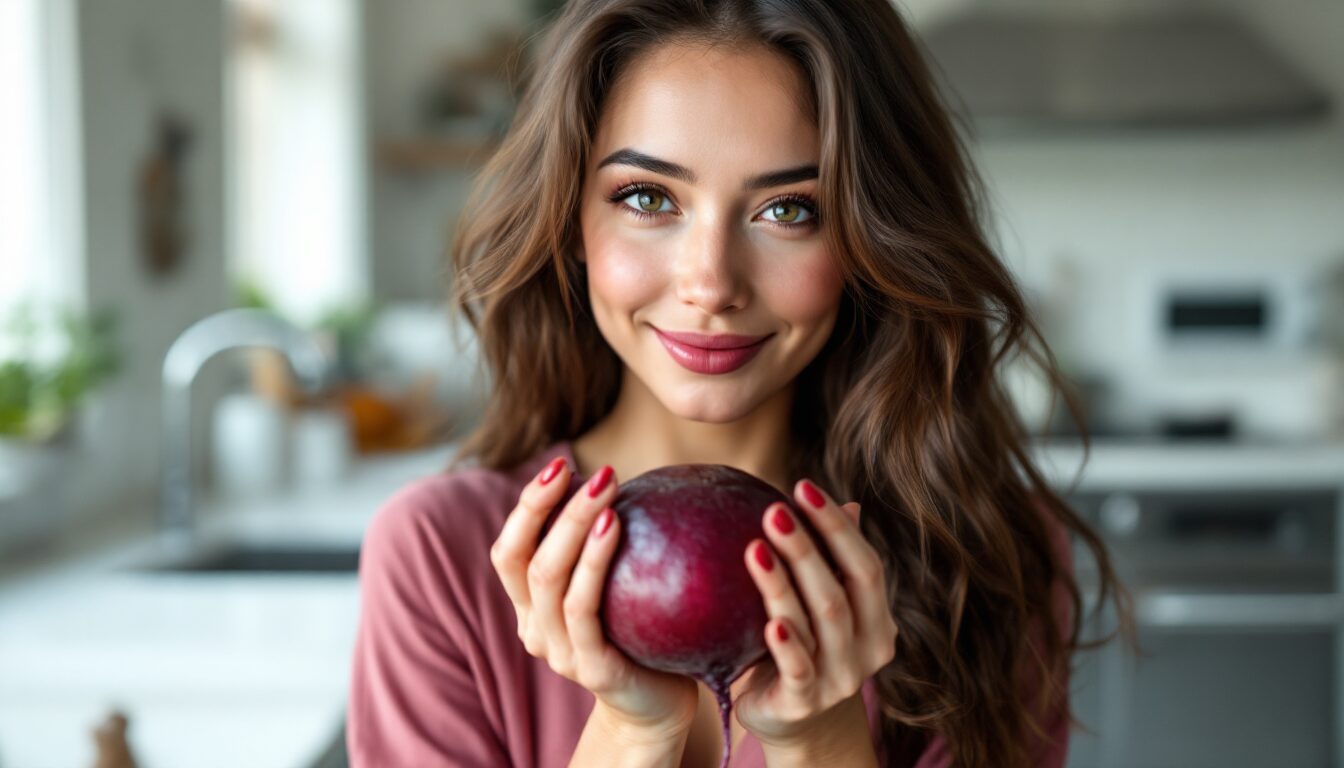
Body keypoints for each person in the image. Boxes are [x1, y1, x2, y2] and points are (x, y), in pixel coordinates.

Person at [346, 0, 1132, 766]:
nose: (711, 282)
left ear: (868, 241)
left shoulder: (989, 563)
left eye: (789, 210)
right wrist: (629, 734)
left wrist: (818, 739)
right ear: (571, 221)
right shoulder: (439, 559)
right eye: (648, 198)